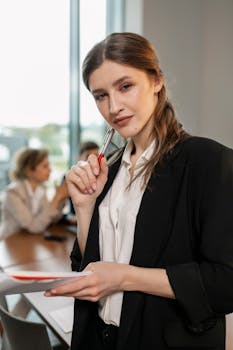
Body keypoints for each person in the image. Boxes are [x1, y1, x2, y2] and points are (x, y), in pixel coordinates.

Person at [45, 32, 233, 350]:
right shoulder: (111, 170)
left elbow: (226, 283)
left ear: (156, 80)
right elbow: (92, 268)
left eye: (125, 86)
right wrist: (86, 207)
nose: (113, 107)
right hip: (101, 338)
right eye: (100, 95)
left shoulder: (209, 161)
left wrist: (124, 277)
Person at [0, 147, 69, 239]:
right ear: (29, 171)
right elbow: (33, 227)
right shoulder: (13, 193)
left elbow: (50, 219)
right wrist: (56, 198)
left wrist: (61, 198)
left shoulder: (40, 189)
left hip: (29, 240)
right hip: (10, 244)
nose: (50, 170)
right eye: (45, 166)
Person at [65, 140, 99, 224]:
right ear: (79, 157)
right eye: (88, 156)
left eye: (96, 156)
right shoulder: (69, 178)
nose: (92, 160)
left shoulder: (103, 178)